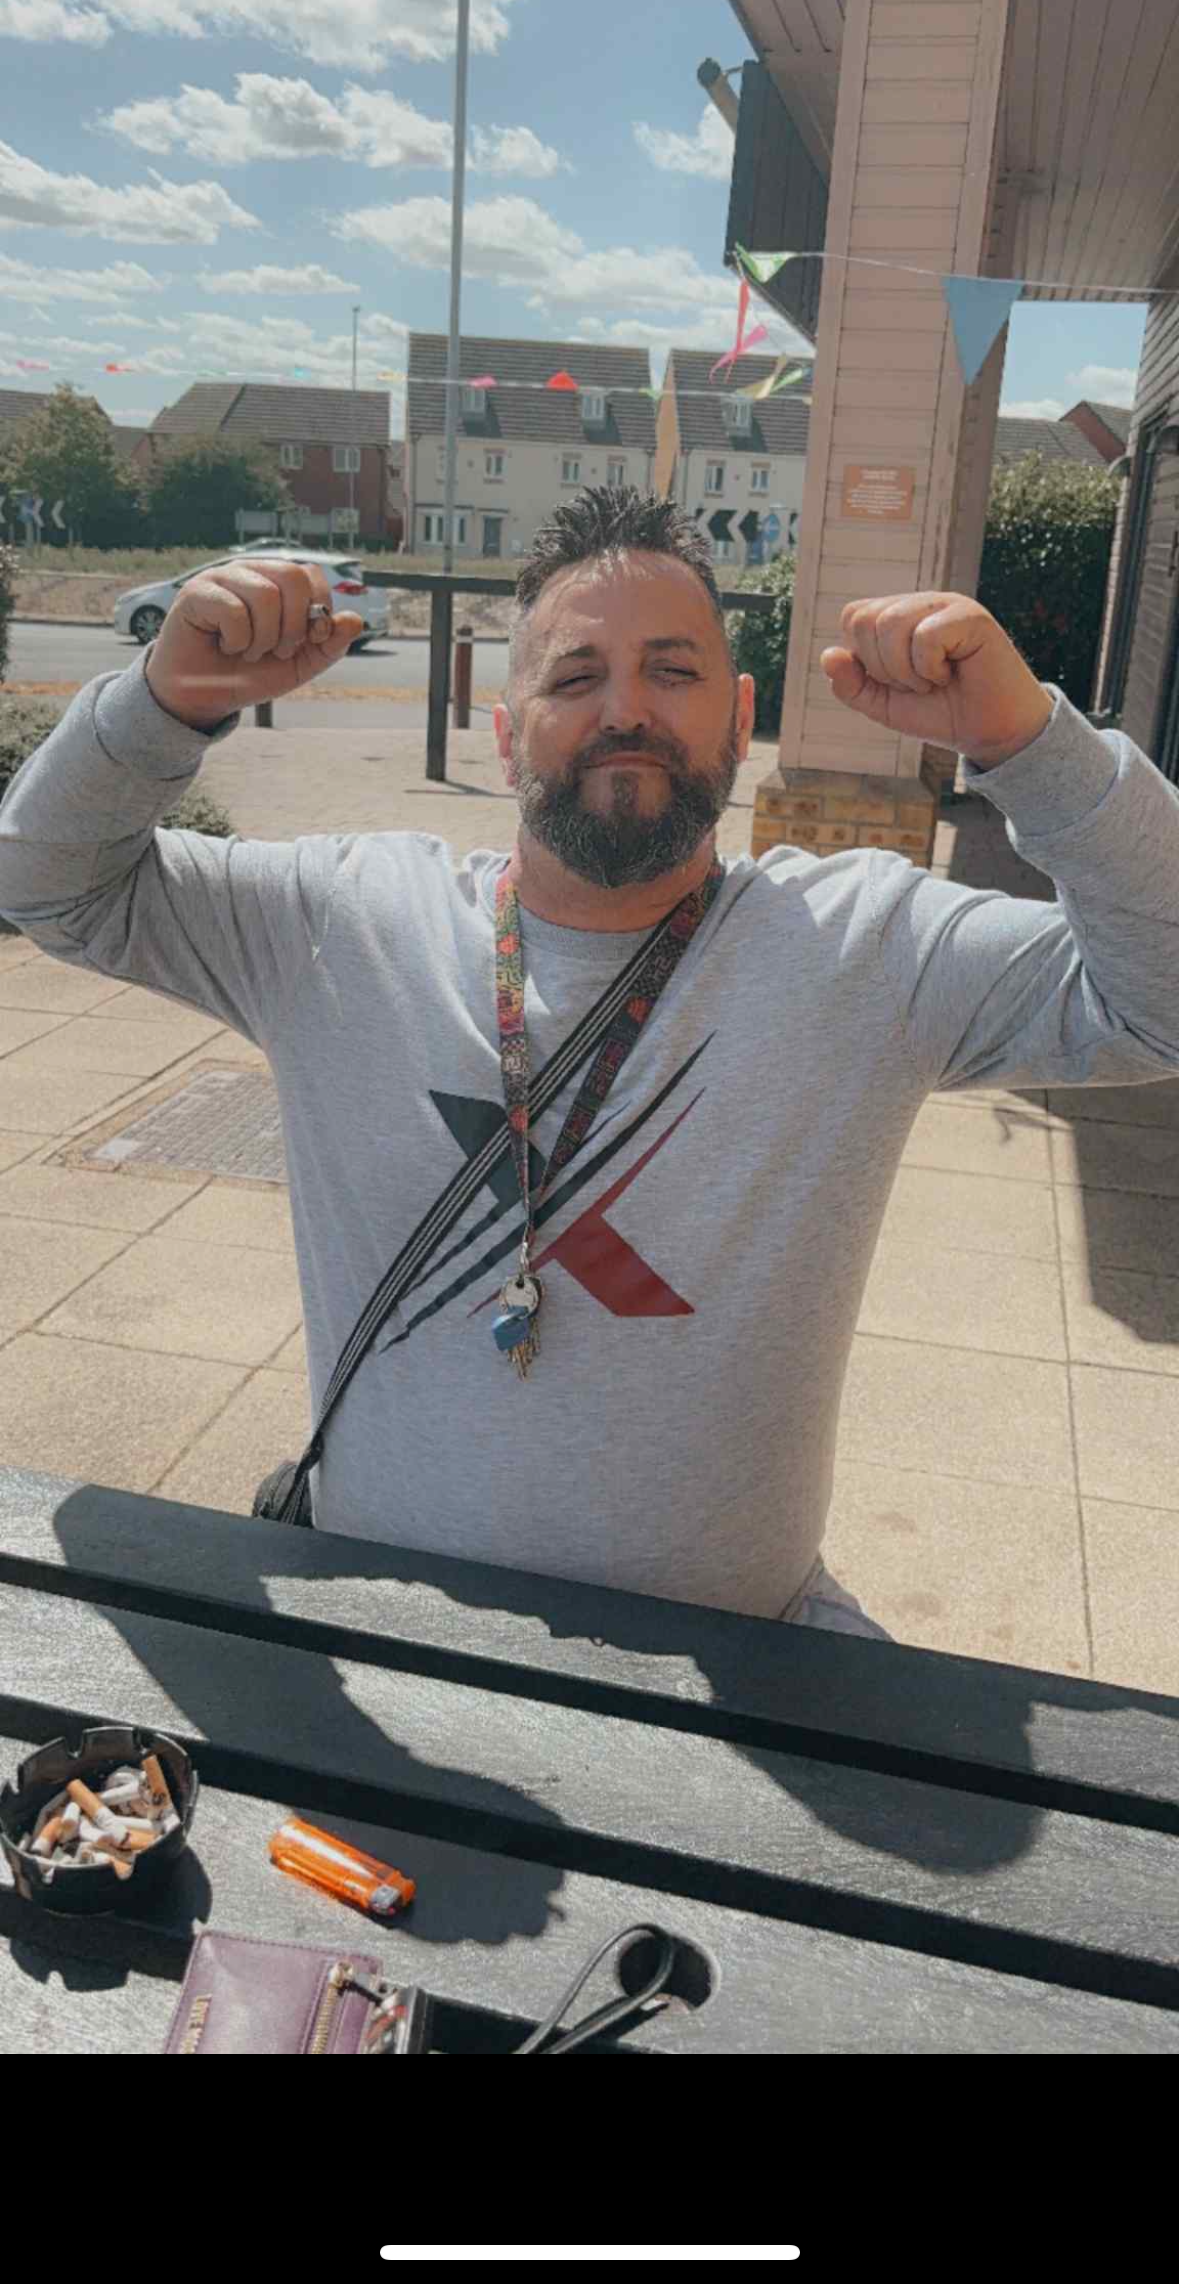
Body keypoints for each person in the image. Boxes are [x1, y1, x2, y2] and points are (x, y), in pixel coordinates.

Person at [3, 485, 1179, 1640]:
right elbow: (47, 886)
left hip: (747, 1664)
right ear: (505, 730)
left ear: (740, 718)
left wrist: (1032, 747)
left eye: (673, 671)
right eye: (574, 678)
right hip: (377, 1637)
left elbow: (1159, 1007)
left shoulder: (870, 949)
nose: (626, 710)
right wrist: (162, 705)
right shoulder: (339, 920)